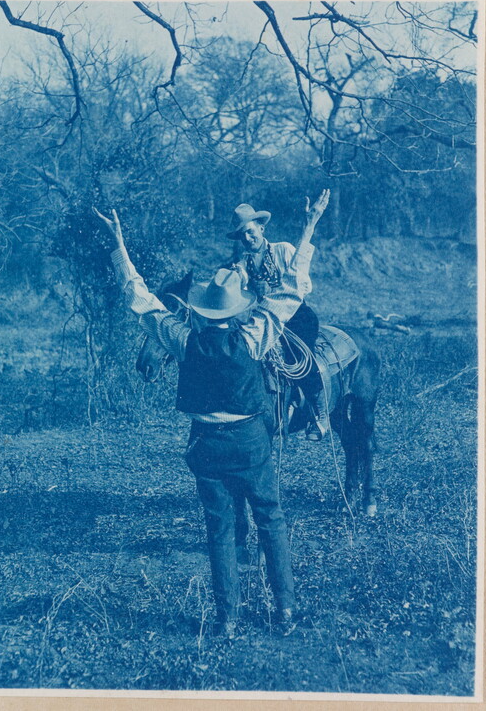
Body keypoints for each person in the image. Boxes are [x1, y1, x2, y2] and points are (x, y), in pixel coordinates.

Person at [93, 190, 329, 638]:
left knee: (220, 533)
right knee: (271, 520)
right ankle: (285, 611)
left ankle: (228, 619)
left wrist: (119, 244)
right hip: (251, 443)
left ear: (202, 311)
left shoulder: (183, 340)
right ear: (239, 309)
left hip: (206, 447)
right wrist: (311, 223)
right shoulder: (255, 334)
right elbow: (294, 288)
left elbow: (140, 298)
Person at [226, 200, 329, 440]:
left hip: (296, 316)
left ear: (261, 228)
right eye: (242, 236)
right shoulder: (244, 264)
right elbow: (240, 288)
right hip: (269, 321)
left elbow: (302, 282)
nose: (248, 238)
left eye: (250, 232)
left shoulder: (283, 249)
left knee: (298, 358)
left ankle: (319, 413)